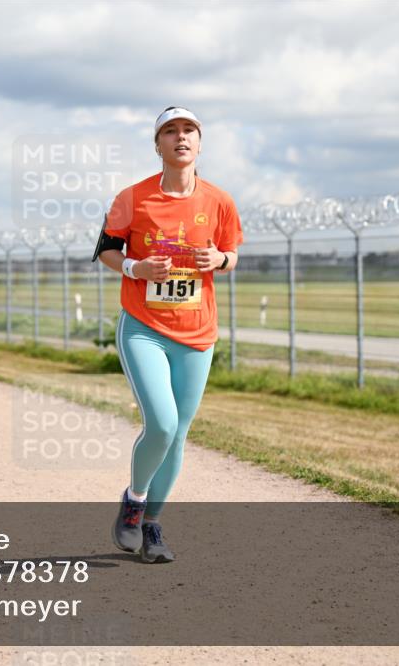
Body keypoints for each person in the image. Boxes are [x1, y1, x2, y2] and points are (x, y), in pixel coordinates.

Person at [95, 106, 242, 564]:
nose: (181, 138)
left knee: (178, 434)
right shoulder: (132, 198)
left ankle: (153, 524)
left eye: (189, 131)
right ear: (157, 145)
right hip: (144, 327)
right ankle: (134, 502)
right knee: (161, 423)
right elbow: (105, 250)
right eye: (170, 131)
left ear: (200, 143)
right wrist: (137, 267)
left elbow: (233, 253)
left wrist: (218, 261)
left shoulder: (219, 200)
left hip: (197, 333)